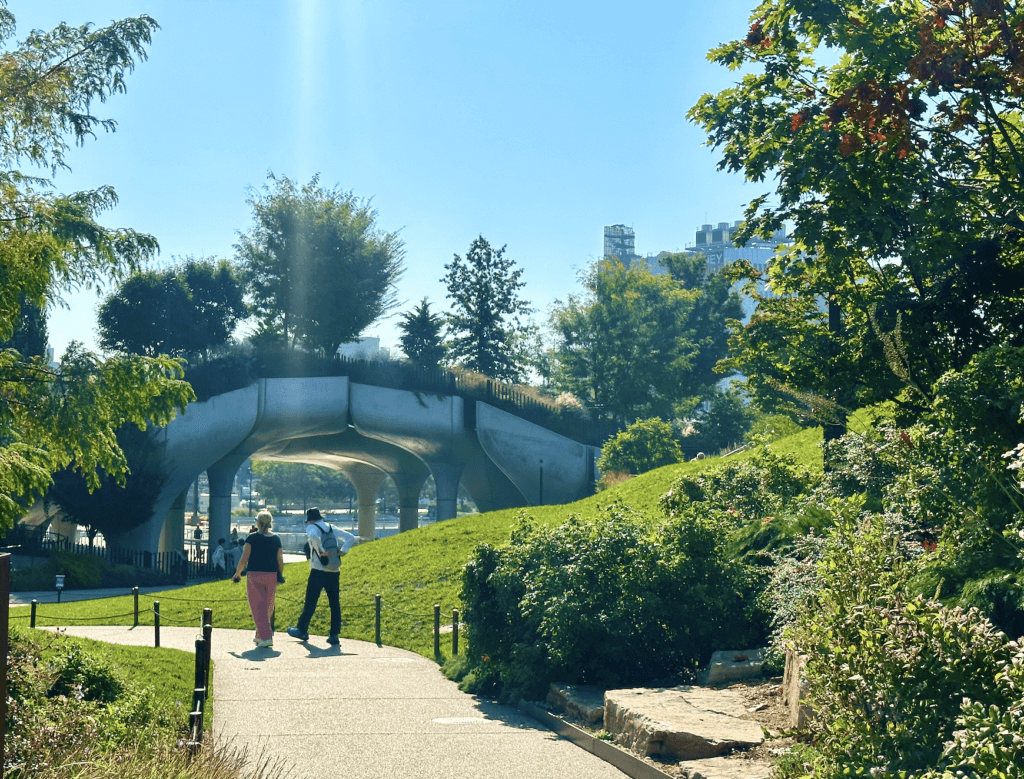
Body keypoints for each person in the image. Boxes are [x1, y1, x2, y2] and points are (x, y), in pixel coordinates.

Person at [287, 507, 355, 645]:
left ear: (311, 520)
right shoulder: (331, 528)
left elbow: (313, 537)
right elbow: (351, 538)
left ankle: (302, 630)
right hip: (334, 571)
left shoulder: (312, 527)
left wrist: (320, 550)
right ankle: (334, 634)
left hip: (318, 570)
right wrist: (343, 551)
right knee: (334, 604)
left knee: (310, 602)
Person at [232, 510, 284, 648]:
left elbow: (244, 558)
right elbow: (280, 560)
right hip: (272, 574)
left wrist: (237, 573)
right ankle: (260, 635)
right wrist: (280, 575)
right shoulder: (276, 539)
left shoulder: (252, 538)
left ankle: (266, 637)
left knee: (257, 606)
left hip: (254, 574)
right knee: (268, 606)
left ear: (259, 523)